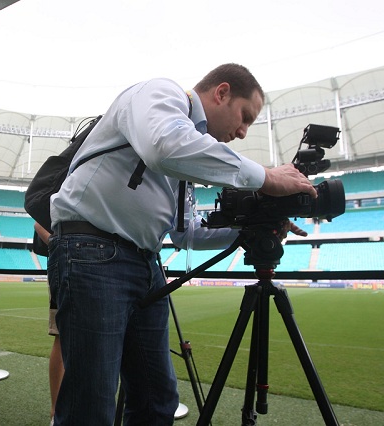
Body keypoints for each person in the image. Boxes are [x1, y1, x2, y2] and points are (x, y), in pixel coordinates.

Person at [47, 63, 316, 425]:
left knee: (158, 399)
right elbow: (164, 148)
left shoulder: (188, 152)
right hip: (92, 251)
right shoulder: (161, 93)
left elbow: (185, 233)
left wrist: (248, 229)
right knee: (91, 405)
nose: (242, 131)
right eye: (244, 117)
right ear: (221, 93)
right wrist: (265, 178)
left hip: (142, 262)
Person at [34, 222, 64, 426]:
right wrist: (58, 245)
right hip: (65, 263)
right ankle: (56, 411)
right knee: (61, 336)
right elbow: (38, 219)